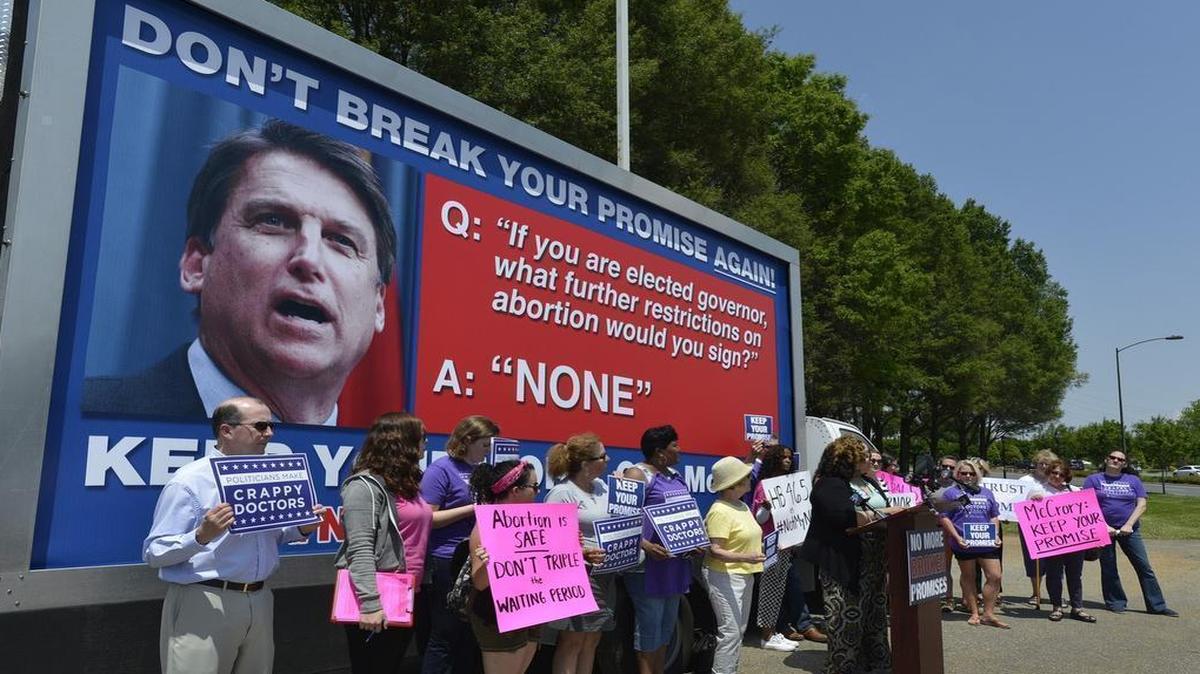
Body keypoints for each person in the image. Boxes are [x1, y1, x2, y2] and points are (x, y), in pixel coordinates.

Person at [83, 120, 398, 424]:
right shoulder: (85, 415)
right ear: (196, 265)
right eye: (273, 221)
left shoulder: (387, 465)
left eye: (341, 240)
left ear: (379, 306)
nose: (309, 259)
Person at [142, 396, 323, 673]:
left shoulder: (271, 473)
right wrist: (201, 535)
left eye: (271, 426)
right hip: (205, 601)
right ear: (226, 430)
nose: (269, 434)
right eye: (260, 426)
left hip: (260, 599)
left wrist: (303, 528)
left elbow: (272, 536)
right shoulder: (190, 481)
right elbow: (154, 553)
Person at [336, 412, 433, 673]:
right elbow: (360, 548)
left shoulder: (406, 485)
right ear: (402, 443)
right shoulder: (363, 487)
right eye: (422, 438)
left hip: (407, 592)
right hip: (378, 598)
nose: (426, 444)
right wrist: (370, 604)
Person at [799, 436, 892, 674]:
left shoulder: (865, 482)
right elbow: (846, 516)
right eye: (862, 457)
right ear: (847, 460)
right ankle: (844, 667)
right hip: (844, 562)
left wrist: (880, 514)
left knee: (874, 616)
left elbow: (865, 509)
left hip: (873, 562)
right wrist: (883, 514)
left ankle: (876, 664)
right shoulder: (829, 484)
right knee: (847, 619)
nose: (868, 459)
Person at [420, 415, 499, 674]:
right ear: (467, 440)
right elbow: (428, 518)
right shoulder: (441, 469)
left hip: (477, 559)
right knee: (445, 633)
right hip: (447, 559)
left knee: (469, 634)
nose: (488, 451)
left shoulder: (480, 472)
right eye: (485, 445)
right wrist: (471, 510)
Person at [621, 425, 692, 674]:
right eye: (675, 445)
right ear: (660, 451)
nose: (680, 449)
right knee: (649, 632)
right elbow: (621, 520)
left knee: (665, 632)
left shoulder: (675, 476)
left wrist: (694, 542)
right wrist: (645, 544)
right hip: (648, 568)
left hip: (675, 565)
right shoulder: (637, 474)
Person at [543, 434, 615, 674]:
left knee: (592, 639)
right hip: (577, 574)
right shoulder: (562, 493)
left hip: (605, 573)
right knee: (572, 640)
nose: (608, 460)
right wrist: (583, 552)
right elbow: (550, 539)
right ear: (586, 464)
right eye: (602, 456)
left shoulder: (603, 487)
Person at [467, 460, 545, 673]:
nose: (538, 492)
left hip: (531, 608)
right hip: (497, 614)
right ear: (516, 490)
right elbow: (480, 583)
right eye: (534, 487)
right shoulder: (486, 525)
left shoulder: (535, 520)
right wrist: (488, 562)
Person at [1083, 450, 1179, 616]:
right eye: (1112, 457)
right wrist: (1103, 525)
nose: (1116, 460)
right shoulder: (1093, 479)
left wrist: (1129, 524)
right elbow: (1086, 504)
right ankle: (1116, 602)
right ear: (1106, 460)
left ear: (1124, 464)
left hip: (1130, 530)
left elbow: (1141, 504)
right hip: (1103, 529)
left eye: (1120, 459)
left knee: (1144, 566)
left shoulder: (1133, 480)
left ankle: (1157, 606)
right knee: (1108, 567)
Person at [703, 456, 765, 674]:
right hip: (724, 575)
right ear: (734, 484)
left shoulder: (741, 505)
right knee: (730, 632)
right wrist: (746, 557)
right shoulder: (720, 510)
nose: (750, 479)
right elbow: (715, 550)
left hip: (743, 574)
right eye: (745, 477)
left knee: (738, 630)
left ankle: (729, 670)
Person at [938, 459, 1008, 629]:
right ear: (957, 475)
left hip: (986, 541)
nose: (968, 476)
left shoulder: (986, 493)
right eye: (963, 473)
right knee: (968, 576)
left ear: (977, 475)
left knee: (995, 576)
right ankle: (975, 613)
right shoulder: (951, 494)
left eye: (971, 473)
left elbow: (993, 515)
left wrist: (995, 534)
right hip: (964, 542)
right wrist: (956, 537)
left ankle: (989, 613)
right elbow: (944, 517)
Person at [1028, 459, 1094, 623]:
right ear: (1048, 473)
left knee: (1075, 576)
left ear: (1066, 476)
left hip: (1074, 541)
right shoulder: (1038, 491)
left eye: (1061, 474)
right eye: (1054, 473)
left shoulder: (1075, 490)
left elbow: (1088, 514)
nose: (1057, 476)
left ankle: (1077, 608)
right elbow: (1028, 514)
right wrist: (1033, 501)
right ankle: (1056, 607)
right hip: (1052, 542)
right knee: (1054, 575)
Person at [749, 444, 799, 652]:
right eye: (783, 457)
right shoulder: (764, 485)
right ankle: (766, 635)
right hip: (771, 543)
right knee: (769, 589)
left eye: (789, 458)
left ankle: (773, 631)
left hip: (786, 543)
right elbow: (758, 519)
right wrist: (766, 508)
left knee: (778, 589)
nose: (787, 461)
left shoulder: (790, 484)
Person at [1016, 449, 1058, 606]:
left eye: (1048, 464)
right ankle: (1036, 592)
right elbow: (1014, 502)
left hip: (1054, 527)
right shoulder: (1025, 480)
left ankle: (1056, 594)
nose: (1044, 466)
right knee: (1033, 560)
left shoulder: (1056, 480)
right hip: (1029, 526)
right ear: (1036, 464)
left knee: (1055, 561)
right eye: (1041, 463)